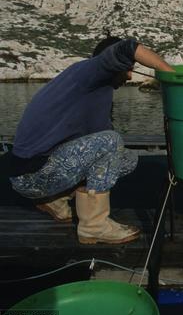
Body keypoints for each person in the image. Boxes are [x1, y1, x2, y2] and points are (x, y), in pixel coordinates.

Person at [7, 36, 174, 244]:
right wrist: (171, 75)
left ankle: (55, 200)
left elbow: (101, 157)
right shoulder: (88, 71)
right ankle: (94, 226)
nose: (130, 76)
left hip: (41, 171)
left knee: (127, 158)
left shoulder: (97, 91)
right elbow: (128, 48)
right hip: (29, 174)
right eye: (128, 69)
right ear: (111, 63)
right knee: (110, 141)